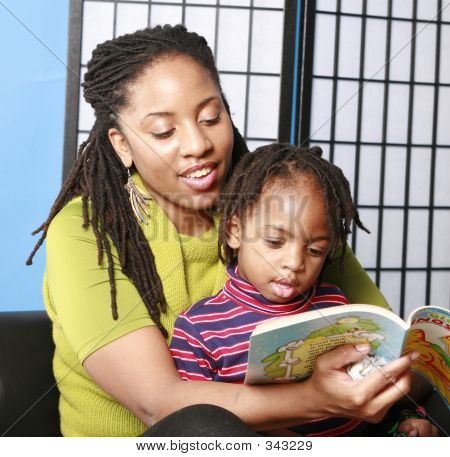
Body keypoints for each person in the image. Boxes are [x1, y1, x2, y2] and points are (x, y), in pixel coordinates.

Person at [27, 25, 414, 437]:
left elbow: (394, 342)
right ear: (122, 144)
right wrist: (317, 399)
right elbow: (158, 403)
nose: (198, 143)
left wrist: (402, 397)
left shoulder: (276, 205)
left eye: (211, 117)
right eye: (163, 131)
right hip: (161, 441)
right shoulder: (85, 229)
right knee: (202, 423)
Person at [169, 143, 438, 437]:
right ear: (235, 232)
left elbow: (368, 386)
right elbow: (192, 423)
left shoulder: (337, 305)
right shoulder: (199, 328)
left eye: (314, 250)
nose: (295, 263)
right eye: (274, 242)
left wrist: (405, 419)